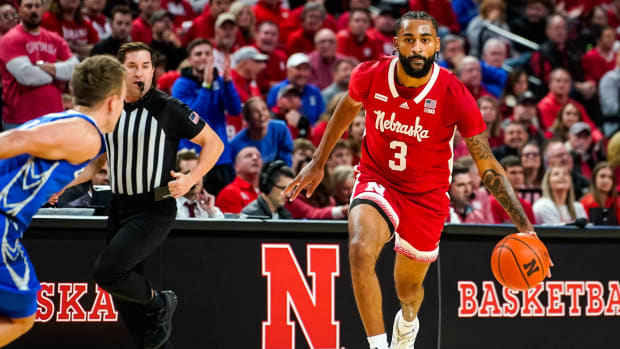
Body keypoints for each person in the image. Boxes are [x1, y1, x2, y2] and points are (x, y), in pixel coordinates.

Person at [283, 11, 545, 349]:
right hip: (378, 178)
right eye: (409, 40)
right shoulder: (371, 74)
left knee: (407, 291)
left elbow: (488, 165)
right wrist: (318, 161)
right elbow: (347, 108)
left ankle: (407, 323)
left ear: (436, 45)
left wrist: (525, 226)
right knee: (361, 248)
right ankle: (379, 346)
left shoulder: (454, 93)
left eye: (425, 40)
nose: (417, 47)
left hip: (427, 196)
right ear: (396, 46)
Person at [66, 42, 223, 349]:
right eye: (133, 66)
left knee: (108, 272)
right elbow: (99, 161)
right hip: (119, 206)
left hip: (154, 208)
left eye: (146, 66)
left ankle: (162, 302)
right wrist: (62, 185)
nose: (140, 73)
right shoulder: (111, 107)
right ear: (119, 69)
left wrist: (192, 177)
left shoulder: (168, 108)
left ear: (154, 71)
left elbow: (214, 143)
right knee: (128, 305)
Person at [0, 55, 126, 347]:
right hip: (2, 223)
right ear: (112, 101)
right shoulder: (83, 132)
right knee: (21, 314)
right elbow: (13, 140)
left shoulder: (71, 124)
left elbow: (46, 165)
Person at [171, 38, 241, 196]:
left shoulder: (221, 81)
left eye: (207, 54)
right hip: (195, 160)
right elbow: (192, 119)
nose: (203, 57)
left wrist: (229, 82)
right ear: (190, 60)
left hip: (221, 159)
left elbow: (235, 110)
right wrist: (206, 86)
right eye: (198, 54)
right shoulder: (181, 85)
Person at [0, 0, 78, 129]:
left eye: (37, 6)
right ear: (19, 10)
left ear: (43, 9)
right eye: (28, 6)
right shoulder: (10, 39)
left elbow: (75, 69)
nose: (33, 10)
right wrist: (57, 73)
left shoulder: (54, 38)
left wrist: (40, 66)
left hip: (54, 117)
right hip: (20, 119)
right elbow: (27, 76)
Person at [231, 97, 294, 166]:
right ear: (247, 118)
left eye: (264, 109)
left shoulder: (280, 129)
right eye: (256, 112)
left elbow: (287, 160)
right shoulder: (236, 144)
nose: (261, 114)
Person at [175, 150, 224, 218]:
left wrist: (210, 211)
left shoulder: (210, 208)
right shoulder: (167, 206)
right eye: (187, 173)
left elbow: (222, 227)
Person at [489, 156, 537, 224]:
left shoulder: (527, 206)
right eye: (513, 173)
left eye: (521, 173)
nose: (518, 177)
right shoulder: (492, 202)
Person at [216, 146, 262, 214]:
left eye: (258, 156)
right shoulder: (229, 193)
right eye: (248, 156)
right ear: (236, 167)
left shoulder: (267, 190)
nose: (255, 158)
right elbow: (238, 224)